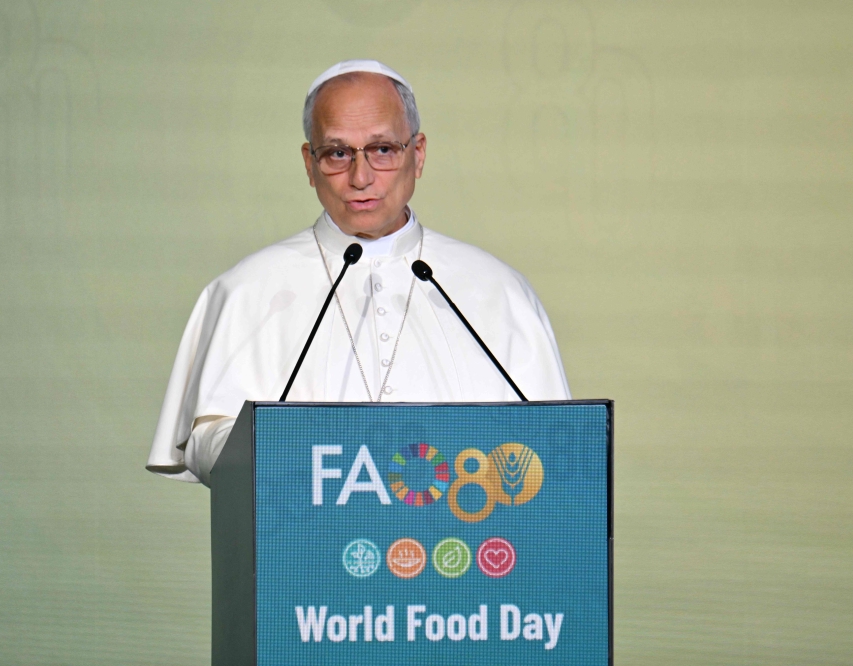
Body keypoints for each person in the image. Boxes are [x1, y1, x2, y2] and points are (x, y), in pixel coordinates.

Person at [146, 60, 571, 485]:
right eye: (337, 153)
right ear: (310, 165)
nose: (360, 177)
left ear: (418, 154)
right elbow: (205, 438)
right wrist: (295, 460)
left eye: (382, 149)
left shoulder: (497, 290)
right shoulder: (247, 290)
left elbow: (556, 448)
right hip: (305, 541)